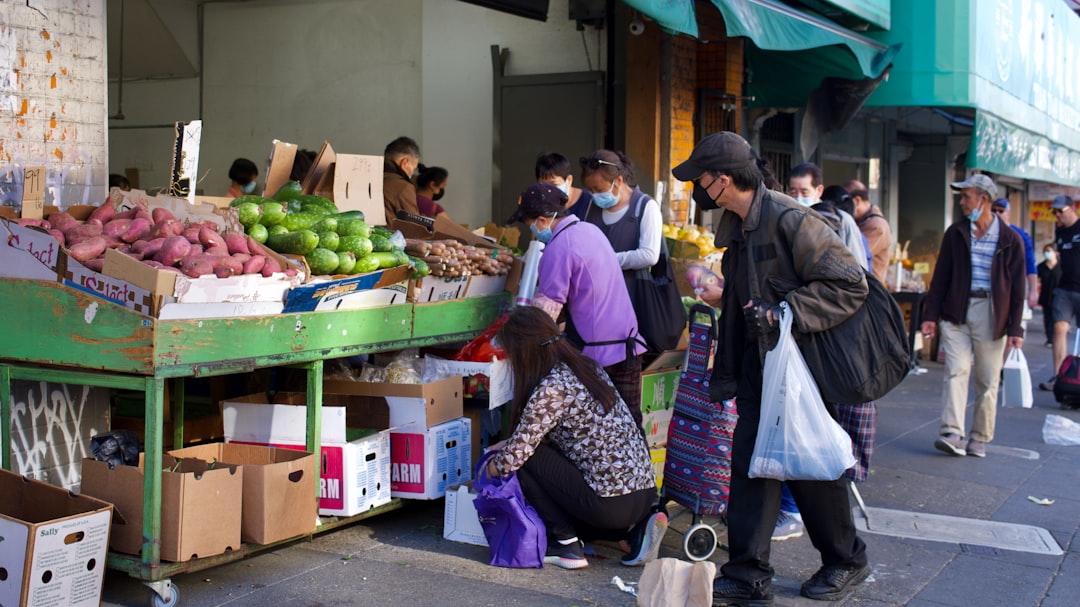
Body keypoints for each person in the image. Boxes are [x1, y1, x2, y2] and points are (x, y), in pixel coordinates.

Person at [673, 132, 871, 605]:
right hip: (759, 365)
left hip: (800, 367)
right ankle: (747, 573)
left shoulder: (789, 217)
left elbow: (850, 283)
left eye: (701, 179)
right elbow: (754, 290)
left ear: (722, 180)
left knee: (810, 469)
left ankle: (847, 559)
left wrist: (785, 310)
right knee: (751, 466)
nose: (697, 188)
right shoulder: (739, 224)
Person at [484, 306, 667, 570]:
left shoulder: (552, 388)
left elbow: (515, 457)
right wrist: (510, 446)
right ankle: (631, 532)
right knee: (533, 453)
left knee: (524, 459)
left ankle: (565, 544)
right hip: (643, 493)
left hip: (608, 504)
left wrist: (489, 467)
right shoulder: (587, 367)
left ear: (523, 352)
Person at [507, 183, 648, 430]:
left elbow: (544, 316)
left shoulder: (559, 247)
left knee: (600, 433)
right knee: (630, 427)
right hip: (629, 346)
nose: (531, 231)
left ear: (542, 220)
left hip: (600, 357)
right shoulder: (589, 230)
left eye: (530, 225)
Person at [920, 174, 1025, 458]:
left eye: (966, 197)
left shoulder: (1010, 239)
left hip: (993, 312)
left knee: (987, 378)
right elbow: (940, 276)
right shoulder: (956, 233)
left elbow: (1018, 288)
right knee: (956, 370)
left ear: (984, 199)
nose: (962, 202)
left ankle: (979, 436)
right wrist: (930, 315)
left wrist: (1016, 328)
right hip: (957, 309)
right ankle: (952, 432)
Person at [579, 150, 671, 354]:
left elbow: (649, 255)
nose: (594, 195)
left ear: (618, 181)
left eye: (598, 189)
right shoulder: (591, 208)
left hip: (635, 299)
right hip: (600, 302)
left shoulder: (645, 207)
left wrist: (606, 260)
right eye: (590, 190)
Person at [789, 163, 867, 270]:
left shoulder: (842, 219)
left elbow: (859, 267)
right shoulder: (786, 219)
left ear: (819, 190)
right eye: (793, 192)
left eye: (804, 192)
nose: (798, 198)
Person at [1043, 195, 1080, 392]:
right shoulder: (1060, 231)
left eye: (1061, 211)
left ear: (1072, 209)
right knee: (1059, 329)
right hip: (1065, 288)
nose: (1057, 215)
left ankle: (1077, 376)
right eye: (1054, 212)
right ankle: (1059, 376)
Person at [843, 179, 894, 284]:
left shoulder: (876, 227)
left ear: (857, 201)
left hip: (868, 291)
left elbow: (852, 257)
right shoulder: (862, 222)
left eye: (846, 202)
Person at [535, 152, 592, 219]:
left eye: (554, 185)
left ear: (569, 180)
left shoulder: (589, 202)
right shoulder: (540, 205)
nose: (548, 190)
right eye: (543, 186)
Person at [383, 136, 421, 223]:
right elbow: (415, 226)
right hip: (388, 236)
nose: (412, 172)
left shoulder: (369, 178)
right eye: (414, 168)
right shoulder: (403, 186)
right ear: (405, 162)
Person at [1037, 244, 1061, 349]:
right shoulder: (1041, 267)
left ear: (1055, 253)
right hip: (1046, 296)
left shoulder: (1061, 266)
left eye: (1049, 251)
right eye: (1045, 251)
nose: (1047, 253)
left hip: (1059, 297)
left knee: (1057, 318)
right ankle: (1050, 339)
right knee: (1048, 318)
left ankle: (1057, 338)